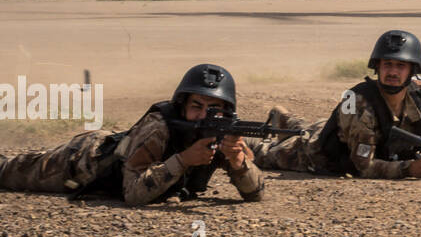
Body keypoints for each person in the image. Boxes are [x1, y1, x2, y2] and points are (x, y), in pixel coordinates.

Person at [0, 64, 264, 205]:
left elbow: (256, 194)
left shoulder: (225, 135)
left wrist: (239, 164)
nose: (203, 115)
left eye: (213, 109)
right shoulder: (158, 127)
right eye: (197, 106)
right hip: (83, 161)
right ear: (183, 105)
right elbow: (133, 194)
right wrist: (184, 160)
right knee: (10, 171)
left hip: (117, 152)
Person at [249, 30, 421, 179]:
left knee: (310, 127)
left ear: (412, 71)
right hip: (313, 152)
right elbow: (363, 166)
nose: (392, 72)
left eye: (400, 66)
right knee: (258, 153)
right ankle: (275, 129)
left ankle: (286, 117)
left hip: (340, 130)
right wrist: (408, 169)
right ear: (377, 67)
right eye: (387, 64)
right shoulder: (357, 104)